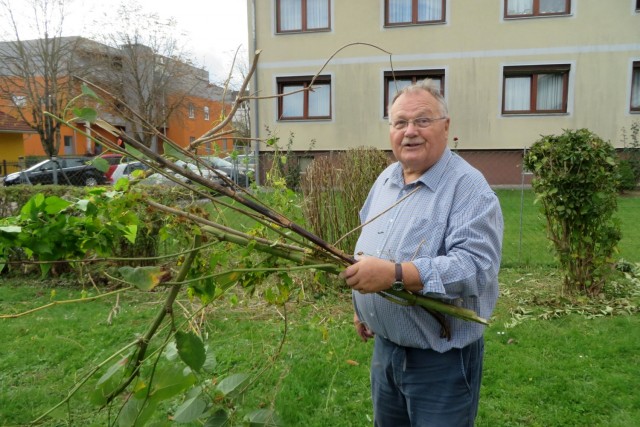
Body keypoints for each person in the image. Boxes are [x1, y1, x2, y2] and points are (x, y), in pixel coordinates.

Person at [342, 79, 503, 426]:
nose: (410, 131)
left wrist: (396, 275)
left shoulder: (468, 187)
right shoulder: (386, 180)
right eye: (400, 123)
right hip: (385, 351)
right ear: (390, 131)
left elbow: (476, 266)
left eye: (422, 121)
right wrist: (363, 307)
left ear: (446, 127)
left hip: (440, 362)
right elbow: (370, 246)